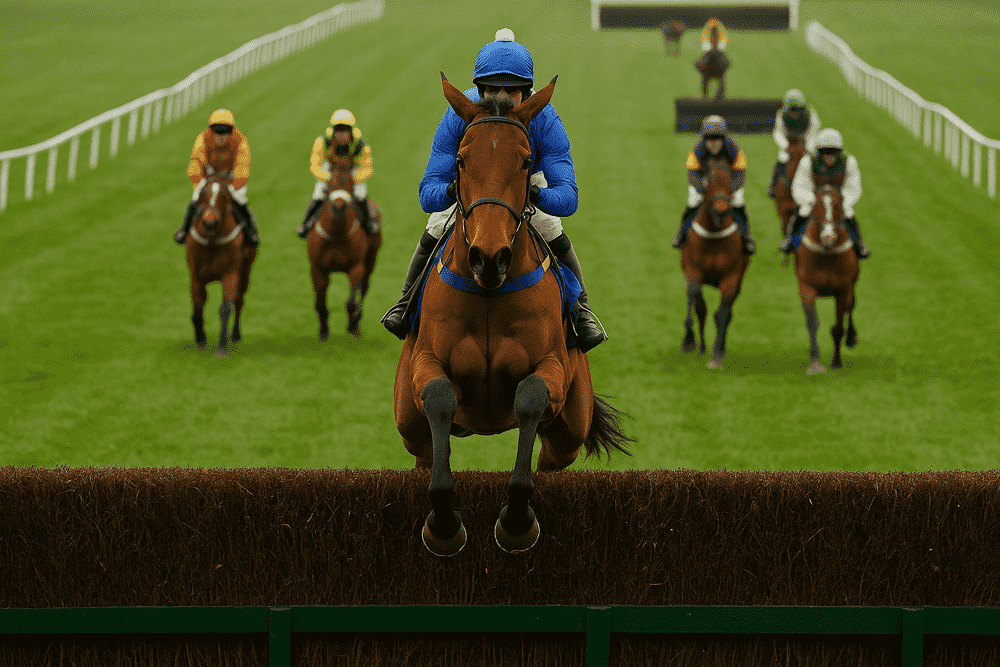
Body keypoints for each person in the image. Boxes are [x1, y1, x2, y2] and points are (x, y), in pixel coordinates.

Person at [381, 28, 607, 352]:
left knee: (550, 227)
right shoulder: (459, 114)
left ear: (526, 92)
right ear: (480, 90)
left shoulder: (544, 118)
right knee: (436, 224)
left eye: (511, 90)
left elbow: (569, 196)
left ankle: (581, 310)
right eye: (492, 89)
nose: (501, 96)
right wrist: (451, 192)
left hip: (522, 182)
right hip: (472, 184)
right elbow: (428, 189)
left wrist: (537, 195)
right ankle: (405, 302)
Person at [174, 108, 259, 246]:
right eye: (217, 132)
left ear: (231, 131)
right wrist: (199, 181)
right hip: (209, 178)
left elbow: (242, 166)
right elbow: (196, 162)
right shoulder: (203, 138)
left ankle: (251, 231)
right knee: (196, 198)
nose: (221, 136)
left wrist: (233, 184)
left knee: (239, 199)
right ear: (211, 130)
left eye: (225, 132)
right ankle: (184, 230)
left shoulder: (240, 140)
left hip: (232, 179)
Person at [781, 127, 870, 259]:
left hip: (839, 200)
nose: (829, 156)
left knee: (848, 213)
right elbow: (800, 185)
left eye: (833, 152)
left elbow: (853, 187)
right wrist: (810, 200)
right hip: (814, 199)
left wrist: (842, 201)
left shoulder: (849, 162)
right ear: (820, 152)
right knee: (803, 211)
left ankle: (859, 244)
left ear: (838, 152)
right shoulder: (808, 162)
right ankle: (791, 241)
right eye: (826, 152)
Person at [672, 115, 756, 254]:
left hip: (729, 184)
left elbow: (740, 171)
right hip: (704, 182)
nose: (713, 144)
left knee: (738, 203)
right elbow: (692, 172)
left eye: (717, 140)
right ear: (704, 140)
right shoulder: (698, 148)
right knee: (693, 202)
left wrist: (732, 189)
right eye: (710, 140)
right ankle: (682, 235)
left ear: (723, 139)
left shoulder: (733, 147)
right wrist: (701, 189)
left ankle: (746, 237)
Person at [298, 108, 377, 238]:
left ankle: (369, 222)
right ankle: (306, 224)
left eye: (345, 130)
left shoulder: (360, 144)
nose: (342, 135)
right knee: (318, 193)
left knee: (360, 193)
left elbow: (367, 168)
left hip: (351, 169)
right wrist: (329, 178)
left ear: (351, 131)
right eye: (338, 130)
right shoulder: (323, 141)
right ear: (333, 131)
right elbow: (316, 165)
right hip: (330, 168)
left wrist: (353, 179)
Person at [768, 89, 821, 199]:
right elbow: (778, 132)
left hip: (805, 142)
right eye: (792, 109)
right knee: (782, 160)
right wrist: (785, 145)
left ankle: (817, 187)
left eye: (797, 109)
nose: (794, 113)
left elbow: (814, 130)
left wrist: (808, 145)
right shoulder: (781, 114)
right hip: (789, 142)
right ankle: (774, 188)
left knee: (812, 162)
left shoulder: (810, 113)